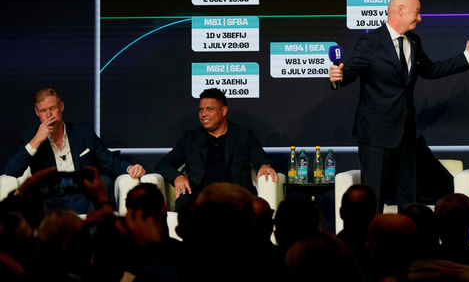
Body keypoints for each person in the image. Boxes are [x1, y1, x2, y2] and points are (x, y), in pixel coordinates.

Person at [328, 0, 469, 210]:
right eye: (417, 12)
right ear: (401, 10)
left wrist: (467, 57)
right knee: (374, 195)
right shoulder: (371, 41)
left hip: (405, 132)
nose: (420, 18)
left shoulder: (414, 41)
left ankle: (408, 231)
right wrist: (338, 77)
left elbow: (431, 70)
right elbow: (350, 70)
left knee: (409, 197)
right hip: (376, 133)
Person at [3, 88, 145, 214]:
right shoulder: (30, 138)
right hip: (51, 201)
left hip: (83, 197)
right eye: (43, 111)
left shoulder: (84, 133)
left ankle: (93, 231)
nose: (49, 115)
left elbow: (110, 162)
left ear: (61, 107)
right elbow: (11, 171)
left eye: (52, 108)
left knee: (104, 181)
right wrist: (37, 141)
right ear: (37, 113)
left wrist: (130, 168)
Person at [155, 88, 277, 210]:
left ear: (224, 111)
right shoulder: (190, 139)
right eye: (201, 109)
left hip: (235, 195)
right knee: (183, 203)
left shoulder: (243, 136)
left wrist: (264, 165)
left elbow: (261, 159)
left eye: (210, 109)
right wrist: (177, 177)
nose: (204, 114)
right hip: (199, 197)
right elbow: (163, 164)